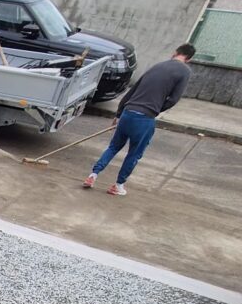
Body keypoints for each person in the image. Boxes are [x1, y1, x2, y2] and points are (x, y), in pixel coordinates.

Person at [83, 43, 195, 196]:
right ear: (189, 59)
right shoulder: (184, 71)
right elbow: (174, 99)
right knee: (134, 154)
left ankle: (93, 175)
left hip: (128, 112)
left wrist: (119, 113)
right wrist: (156, 109)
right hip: (144, 118)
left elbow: (132, 90)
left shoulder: (157, 66)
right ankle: (118, 185)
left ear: (175, 52)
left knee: (113, 147)